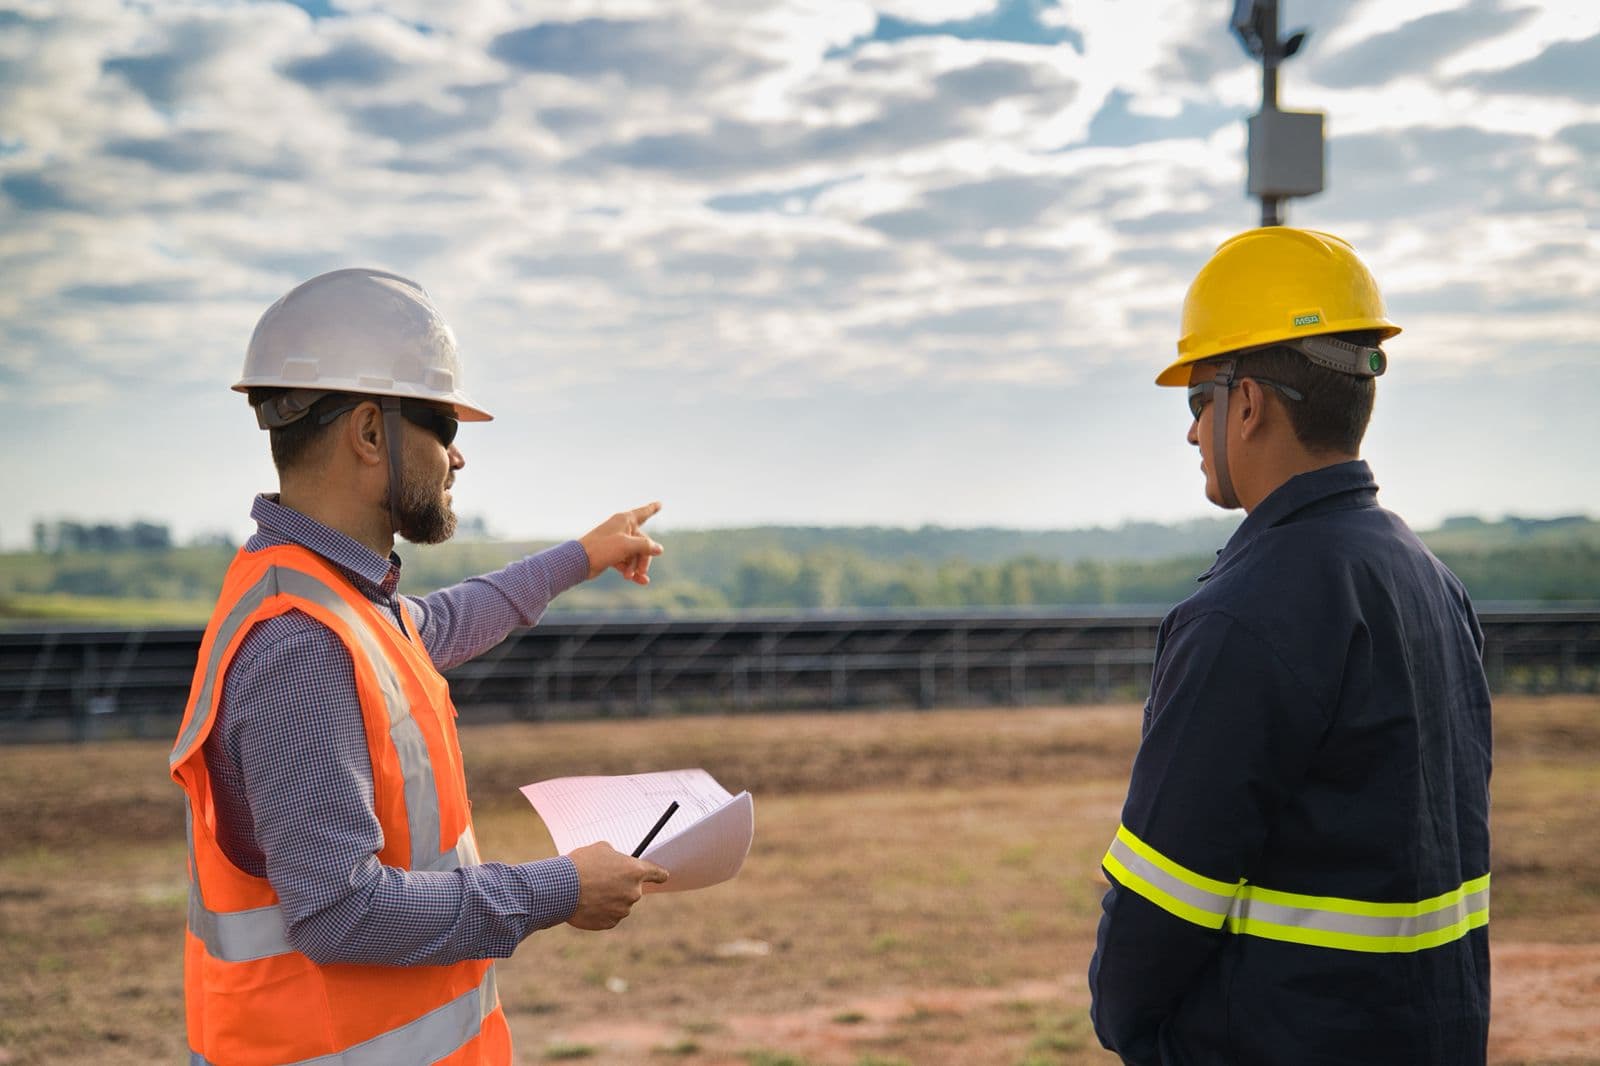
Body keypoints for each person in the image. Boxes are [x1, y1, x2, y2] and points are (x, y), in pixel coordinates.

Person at [169, 267, 671, 1065]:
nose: (459, 457)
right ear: (370, 433)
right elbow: (340, 912)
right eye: (442, 424)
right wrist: (561, 888)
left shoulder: (334, 598)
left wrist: (583, 555)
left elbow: (438, 623)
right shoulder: (303, 642)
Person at [1088, 228, 1493, 1065]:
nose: (1193, 432)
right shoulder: (1427, 579)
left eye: (1197, 399)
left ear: (1248, 404)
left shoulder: (1244, 613)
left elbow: (1159, 909)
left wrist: (1135, 1033)